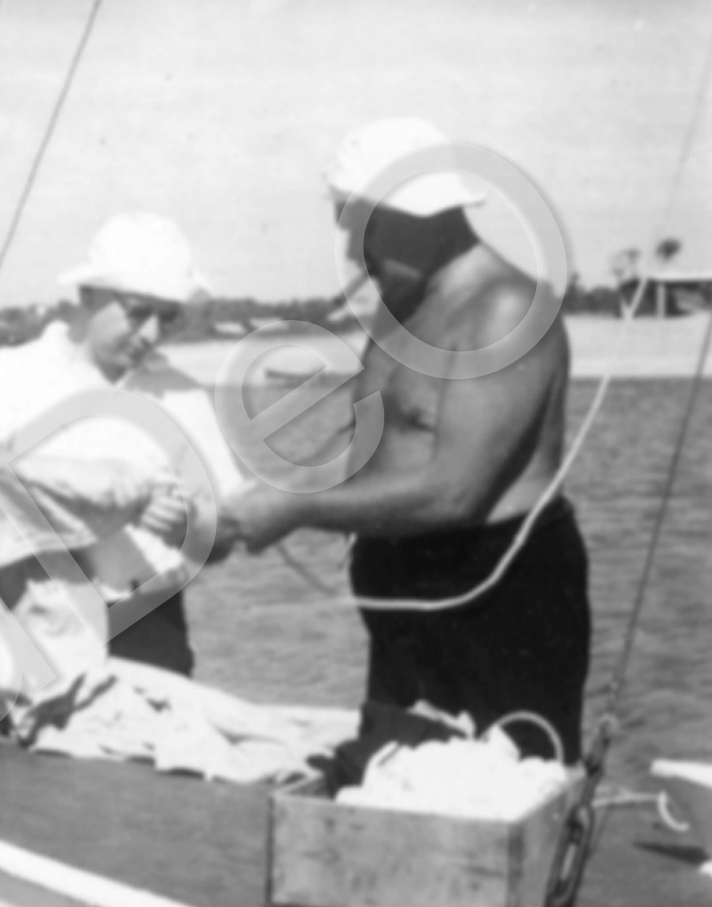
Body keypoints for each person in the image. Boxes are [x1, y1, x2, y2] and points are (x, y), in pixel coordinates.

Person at [214, 119, 590, 761]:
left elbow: (454, 493)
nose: (351, 254)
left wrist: (294, 509)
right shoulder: (400, 308)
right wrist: (252, 500)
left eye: (362, 230)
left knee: (506, 790)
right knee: (395, 776)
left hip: (495, 596)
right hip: (399, 588)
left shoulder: (506, 312)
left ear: (420, 214)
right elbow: (366, 440)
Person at [0, 212, 243, 681]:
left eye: (168, 317)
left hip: (146, 625)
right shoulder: (8, 374)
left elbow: (225, 541)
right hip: (21, 618)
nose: (151, 334)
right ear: (87, 294)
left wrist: (191, 528)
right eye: (137, 311)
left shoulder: (184, 397)